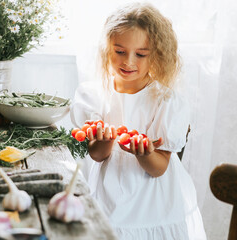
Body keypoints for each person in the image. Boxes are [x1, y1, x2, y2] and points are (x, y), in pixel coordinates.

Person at [70, 3, 206, 240]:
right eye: (119, 51)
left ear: (157, 54)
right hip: (107, 197)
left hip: (153, 203)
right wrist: (105, 140)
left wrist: (144, 153)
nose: (129, 62)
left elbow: (159, 168)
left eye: (141, 54)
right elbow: (98, 155)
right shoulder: (94, 95)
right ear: (106, 49)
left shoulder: (165, 101)